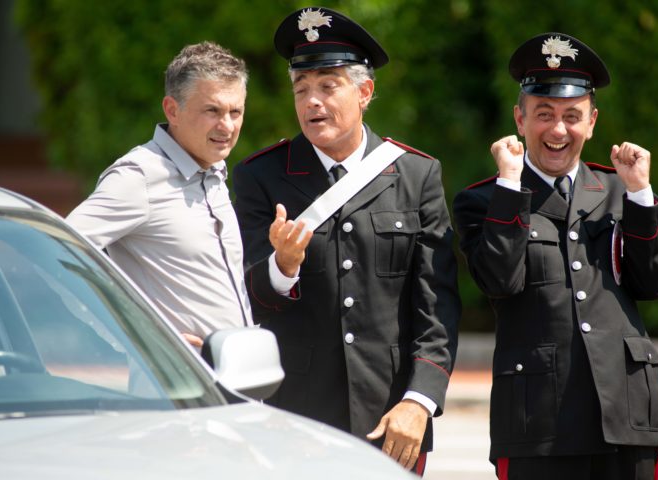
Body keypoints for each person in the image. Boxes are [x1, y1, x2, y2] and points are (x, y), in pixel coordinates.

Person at [232, 7, 460, 474]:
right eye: (302, 89)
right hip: (294, 420)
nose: (312, 101)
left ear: (365, 92)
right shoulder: (261, 176)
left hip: (391, 421)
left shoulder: (416, 174)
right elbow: (246, 298)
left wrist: (419, 402)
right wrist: (282, 267)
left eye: (328, 86)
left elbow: (436, 306)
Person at [452, 33, 658, 480]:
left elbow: (655, 283)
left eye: (572, 116)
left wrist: (640, 192)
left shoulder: (620, 189)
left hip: (628, 414)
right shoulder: (487, 199)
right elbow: (499, 281)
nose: (558, 130)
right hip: (539, 421)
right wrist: (511, 187)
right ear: (520, 119)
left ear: (592, 122)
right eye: (544, 114)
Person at [66, 41, 253, 348]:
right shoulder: (139, 176)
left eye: (236, 111)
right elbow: (59, 254)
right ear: (172, 110)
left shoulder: (214, 170)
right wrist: (140, 338)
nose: (227, 125)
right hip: (178, 389)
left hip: (235, 380)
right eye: (213, 110)